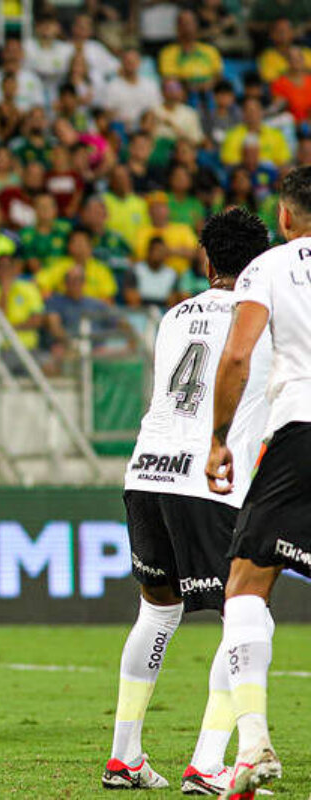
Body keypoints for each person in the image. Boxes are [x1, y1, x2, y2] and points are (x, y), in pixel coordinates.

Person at [101, 209, 273, 793]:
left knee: (158, 609)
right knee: (246, 614)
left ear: (207, 262)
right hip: (207, 478)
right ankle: (206, 764)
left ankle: (124, 757)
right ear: (261, 262)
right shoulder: (263, 320)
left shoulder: (174, 315)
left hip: (146, 470)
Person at [203, 167, 311, 797]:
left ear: (288, 217)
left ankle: (254, 745)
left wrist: (219, 439)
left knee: (245, 582)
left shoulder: (267, 266)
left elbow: (239, 355)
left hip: (300, 427)